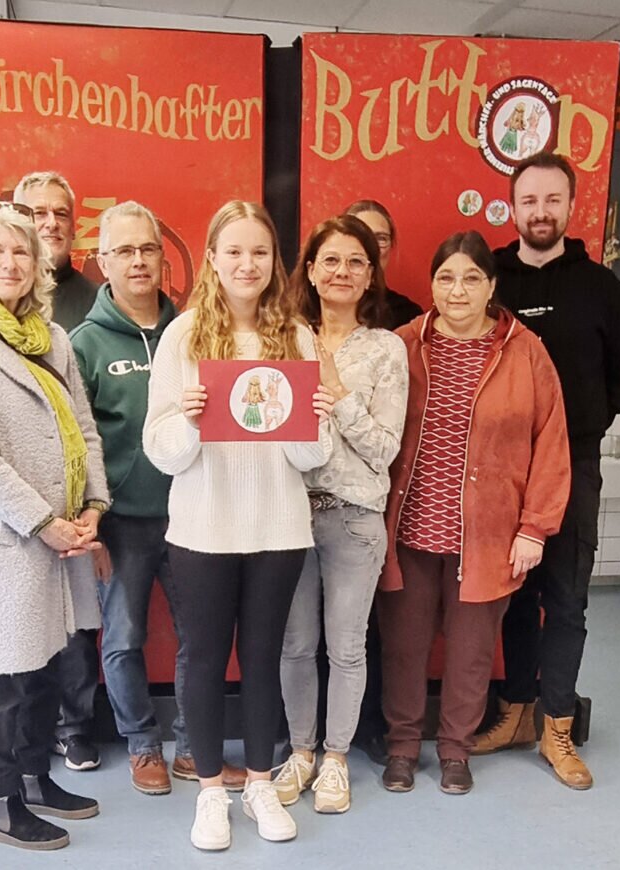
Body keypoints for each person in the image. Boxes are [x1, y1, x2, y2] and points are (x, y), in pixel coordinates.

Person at [143, 200, 333, 851]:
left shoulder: (296, 337)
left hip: (278, 531)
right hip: (202, 531)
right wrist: (190, 421)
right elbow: (160, 450)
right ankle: (209, 792)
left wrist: (313, 417)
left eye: (259, 252)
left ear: (274, 261)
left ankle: (257, 783)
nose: (247, 264)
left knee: (262, 657)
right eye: (234, 251)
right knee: (201, 658)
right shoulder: (183, 336)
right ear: (213, 260)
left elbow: (312, 456)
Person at [0, 200, 110, 850]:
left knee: (47, 666)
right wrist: (43, 522)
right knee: (3, 674)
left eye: (21, 252)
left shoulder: (53, 338)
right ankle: (1, 804)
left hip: (63, 538)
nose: (10, 262)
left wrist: (92, 506)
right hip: (6, 541)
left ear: (38, 265)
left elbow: (84, 429)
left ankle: (37, 778)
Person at [377, 230, 570, 795]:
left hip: (488, 536)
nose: (457, 290)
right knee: (404, 647)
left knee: (471, 652)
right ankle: (402, 747)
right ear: (432, 284)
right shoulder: (403, 345)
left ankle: (456, 751)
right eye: (445, 277)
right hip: (409, 530)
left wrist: (534, 528)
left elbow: (552, 444)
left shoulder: (525, 351)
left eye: (470, 278)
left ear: (491, 286)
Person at [71, 200, 245, 795]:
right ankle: (142, 745)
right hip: (122, 522)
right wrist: (90, 522)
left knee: (204, 637)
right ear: (103, 261)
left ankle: (195, 749)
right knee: (122, 638)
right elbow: (77, 442)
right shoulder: (85, 344)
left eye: (147, 248)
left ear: (163, 257)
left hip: (194, 511)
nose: (138, 260)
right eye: (124, 251)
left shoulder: (197, 330)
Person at [473, 152, 620, 789]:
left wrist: (579, 430)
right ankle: (515, 712)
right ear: (514, 207)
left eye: (552, 200)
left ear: (571, 205)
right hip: (503, 471)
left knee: (566, 601)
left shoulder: (603, 290)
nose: (540, 212)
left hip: (575, 468)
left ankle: (556, 726)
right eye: (529, 201)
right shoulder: (491, 281)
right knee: (513, 595)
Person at [273, 215, 407, 814]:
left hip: (354, 518)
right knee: (295, 645)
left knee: (347, 648)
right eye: (330, 260)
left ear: (371, 274)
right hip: (287, 515)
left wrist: (338, 392)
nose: (342, 272)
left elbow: (384, 448)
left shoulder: (386, 349)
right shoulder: (284, 338)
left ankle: (335, 759)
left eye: (356, 261)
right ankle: (301, 752)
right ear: (310, 270)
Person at [15, 170, 101, 772]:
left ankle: (75, 727)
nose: (49, 223)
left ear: (75, 224)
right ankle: (24, 734)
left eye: (59, 213)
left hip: (76, 491)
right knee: (18, 617)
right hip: (14, 490)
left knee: (77, 619)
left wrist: (95, 500)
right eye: (34, 213)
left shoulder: (95, 297)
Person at [344, 199, 422, 764]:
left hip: (384, 485)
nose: (367, 249)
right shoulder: (301, 318)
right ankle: (301, 735)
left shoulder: (406, 319)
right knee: (301, 628)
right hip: (312, 488)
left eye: (379, 240)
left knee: (368, 619)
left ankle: (368, 726)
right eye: (356, 239)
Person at [14, 171, 97, 332]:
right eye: (39, 213)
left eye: (61, 214)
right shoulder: (0, 294)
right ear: (18, 225)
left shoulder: (98, 304)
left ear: (73, 228)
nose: (52, 223)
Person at [344, 199, 422, 331]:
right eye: (361, 236)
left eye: (381, 239)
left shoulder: (407, 315)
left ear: (391, 246)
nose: (372, 247)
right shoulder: (318, 309)